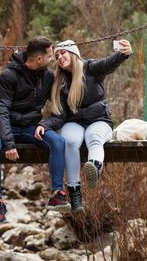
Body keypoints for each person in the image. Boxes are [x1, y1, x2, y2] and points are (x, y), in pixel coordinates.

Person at [35, 39, 132, 213]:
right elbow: (60, 116)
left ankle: (94, 166)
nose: (59, 57)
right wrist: (44, 124)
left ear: (73, 53)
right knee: (69, 141)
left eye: (63, 53)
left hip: (99, 120)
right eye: (56, 56)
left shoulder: (90, 68)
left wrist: (122, 55)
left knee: (93, 138)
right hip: (75, 122)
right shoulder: (62, 84)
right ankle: (75, 194)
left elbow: (107, 64)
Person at [0, 36, 71, 223]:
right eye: (50, 55)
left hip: (31, 127)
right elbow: (0, 112)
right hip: (4, 126)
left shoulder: (48, 77)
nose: (53, 59)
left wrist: (44, 125)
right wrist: (8, 143)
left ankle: (57, 193)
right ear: (39, 59)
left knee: (58, 142)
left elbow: (60, 110)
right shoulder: (7, 76)